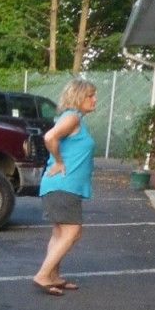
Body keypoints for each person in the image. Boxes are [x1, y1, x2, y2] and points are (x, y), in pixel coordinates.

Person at [32, 79, 97, 296]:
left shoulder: (73, 118)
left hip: (62, 186)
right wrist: (59, 161)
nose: (94, 99)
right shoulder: (72, 117)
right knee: (73, 231)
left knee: (60, 232)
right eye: (90, 95)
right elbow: (50, 137)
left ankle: (53, 276)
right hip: (63, 185)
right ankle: (43, 274)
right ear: (78, 96)